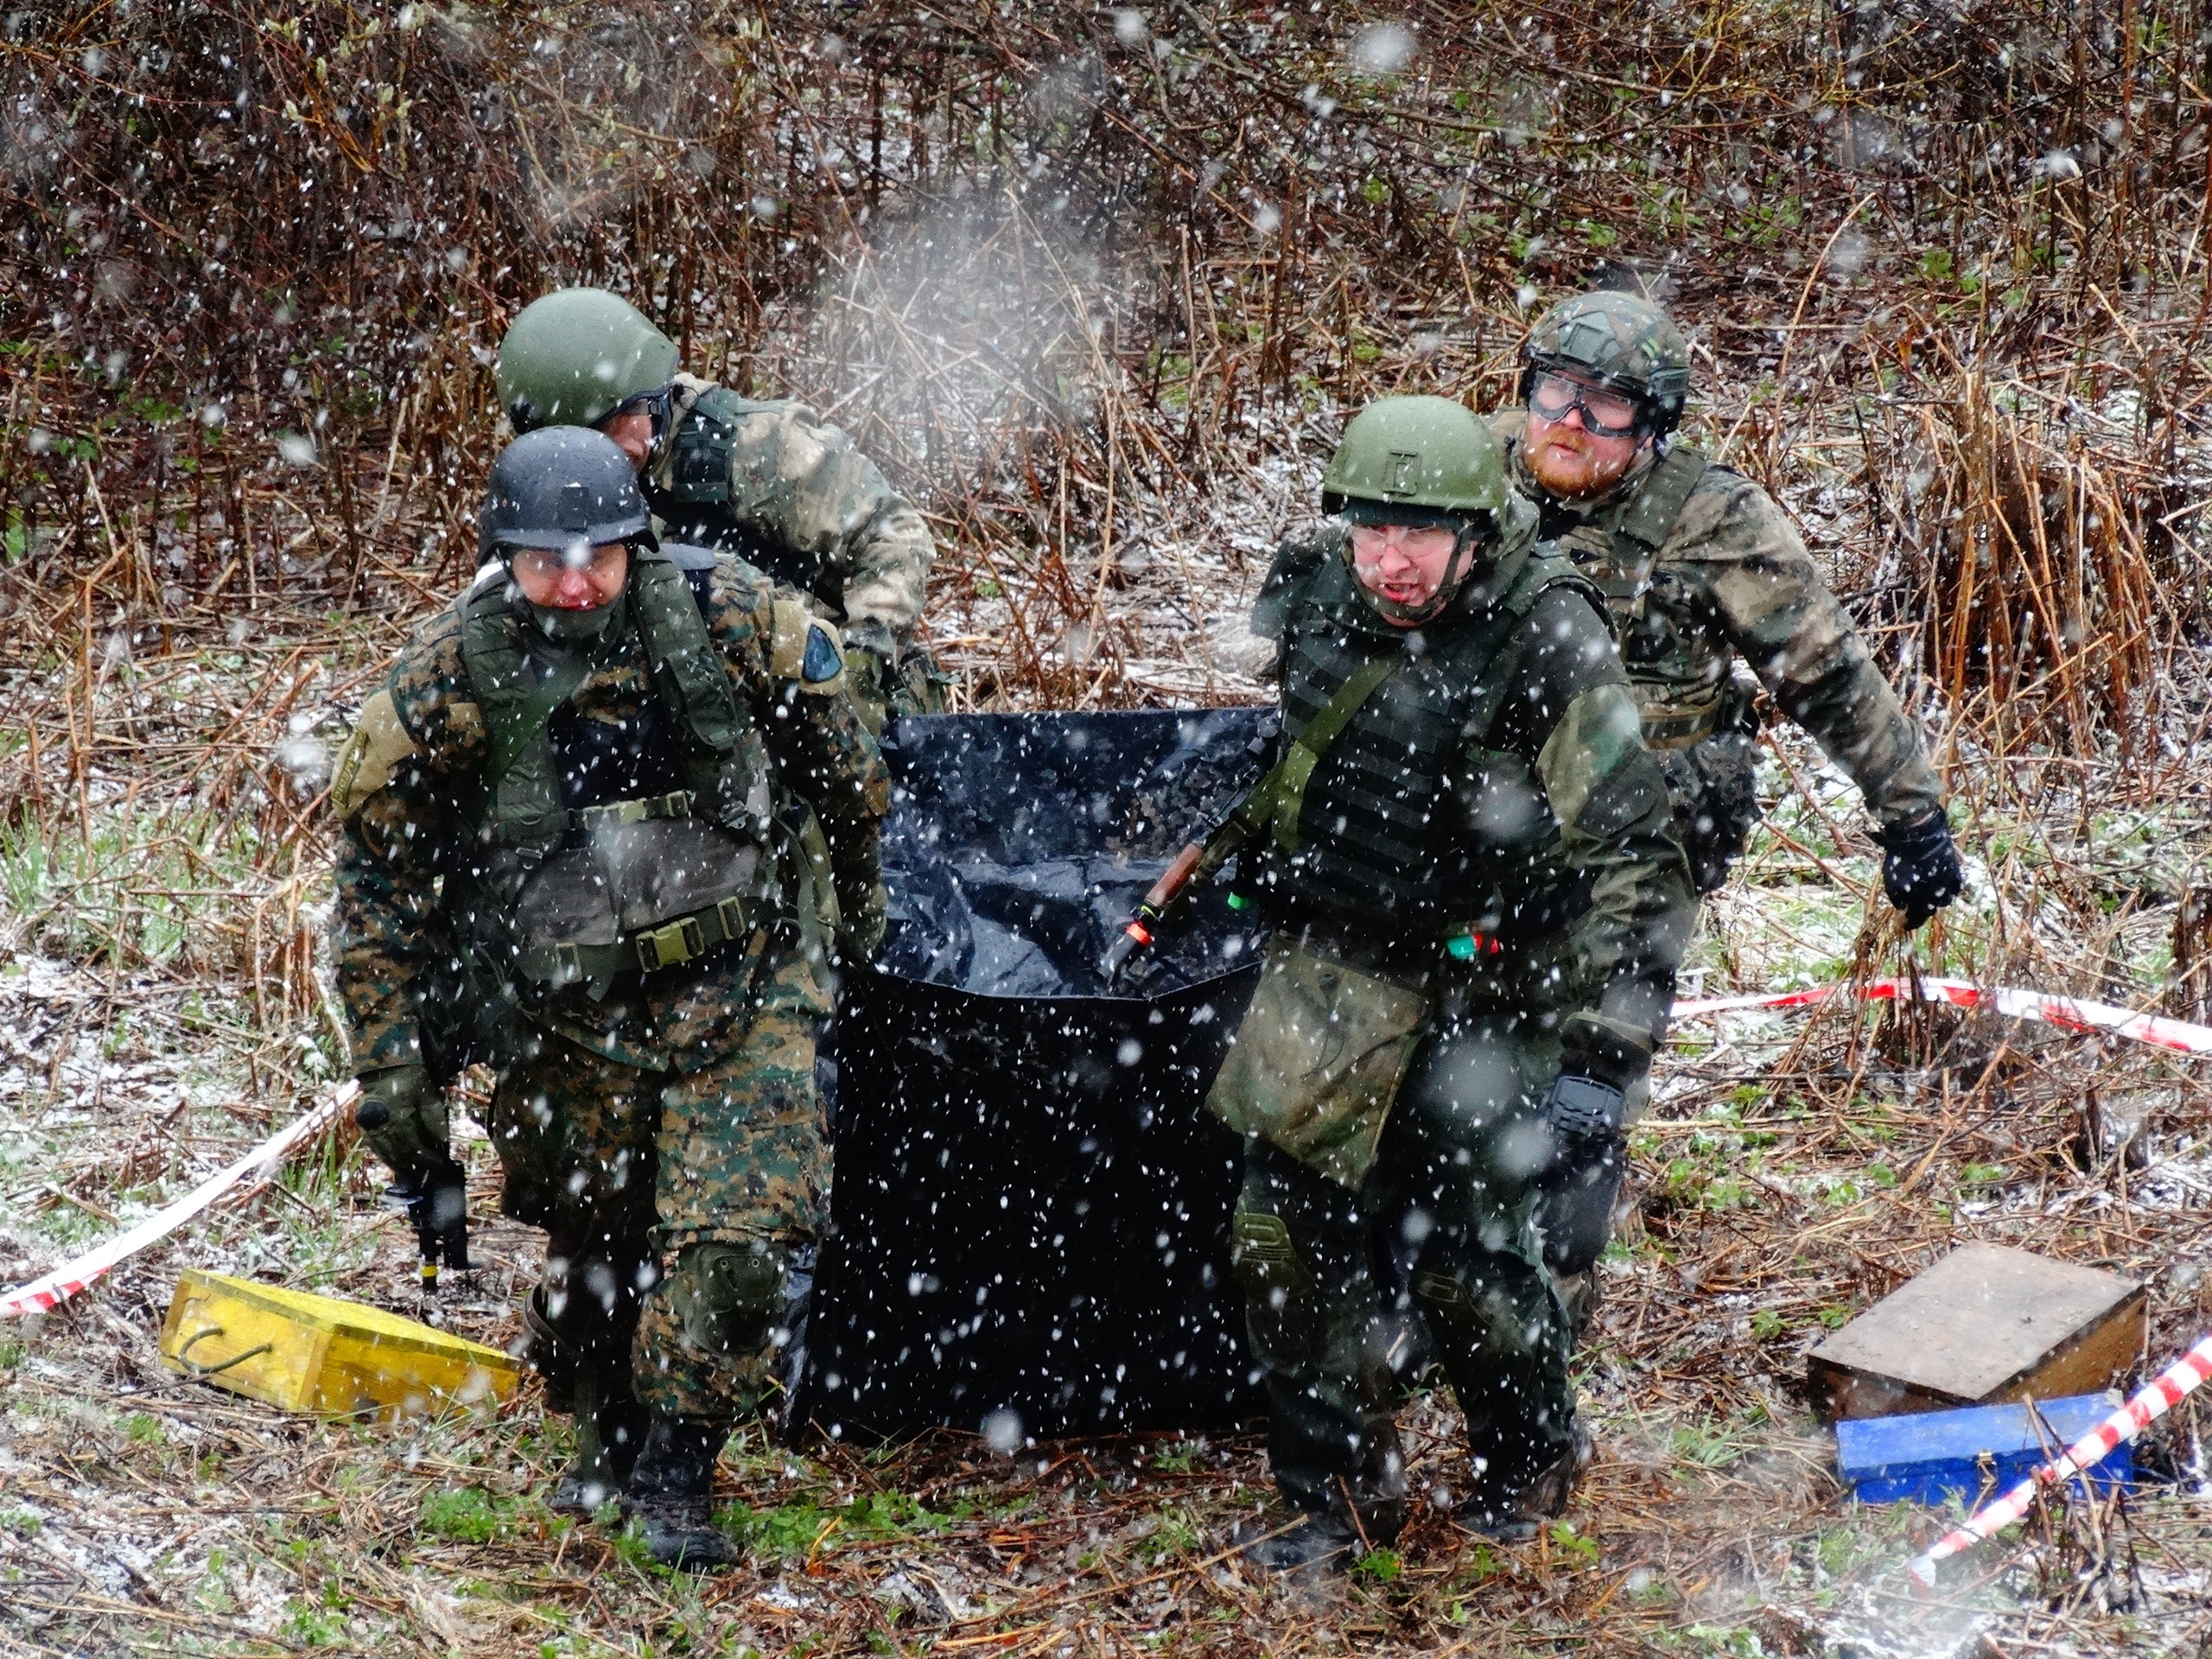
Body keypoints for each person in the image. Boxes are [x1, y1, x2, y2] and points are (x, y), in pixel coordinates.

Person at [328, 428, 889, 1570]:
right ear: (504, 559)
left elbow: (851, 767)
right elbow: (378, 891)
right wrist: (402, 1092)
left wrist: (852, 923)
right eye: (546, 563)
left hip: (743, 983)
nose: (576, 585)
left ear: (641, 546)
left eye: (600, 558)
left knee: (734, 1245)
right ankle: (605, 1416)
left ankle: (682, 1464)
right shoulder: (451, 675)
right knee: (601, 1249)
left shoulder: (731, 618)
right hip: (566, 1015)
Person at [1217, 396, 1695, 1572]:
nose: (1390, 563)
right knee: (1284, 1243)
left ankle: (1529, 1455)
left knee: (1467, 1264)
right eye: (1371, 532)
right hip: (1337, 967)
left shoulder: (1549, 634)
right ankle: (1330, 1494)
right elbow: (1289, 740)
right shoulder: (1316, 590)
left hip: (1494, 982)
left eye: (1419, 538)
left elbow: (1640, 860)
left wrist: (1603, 1056)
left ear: (1478, 532)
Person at [1492, 289, 1964, 921]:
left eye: (1606, 402)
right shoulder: (1472, 467)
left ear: (1652, 422)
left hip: (1637, 823)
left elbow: (1823, 668)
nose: (1572, 420)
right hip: (1482, 796)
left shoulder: (1713, 517)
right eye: (1556, 390)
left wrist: (1913, 818)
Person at [493, 286, 945, 730]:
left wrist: (859, 664)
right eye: (598, 435)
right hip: (689, 705)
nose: (622, 448)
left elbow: (895, 537)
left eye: (625, 418)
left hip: (807, 683)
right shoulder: (549, 481)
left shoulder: (758, 446)